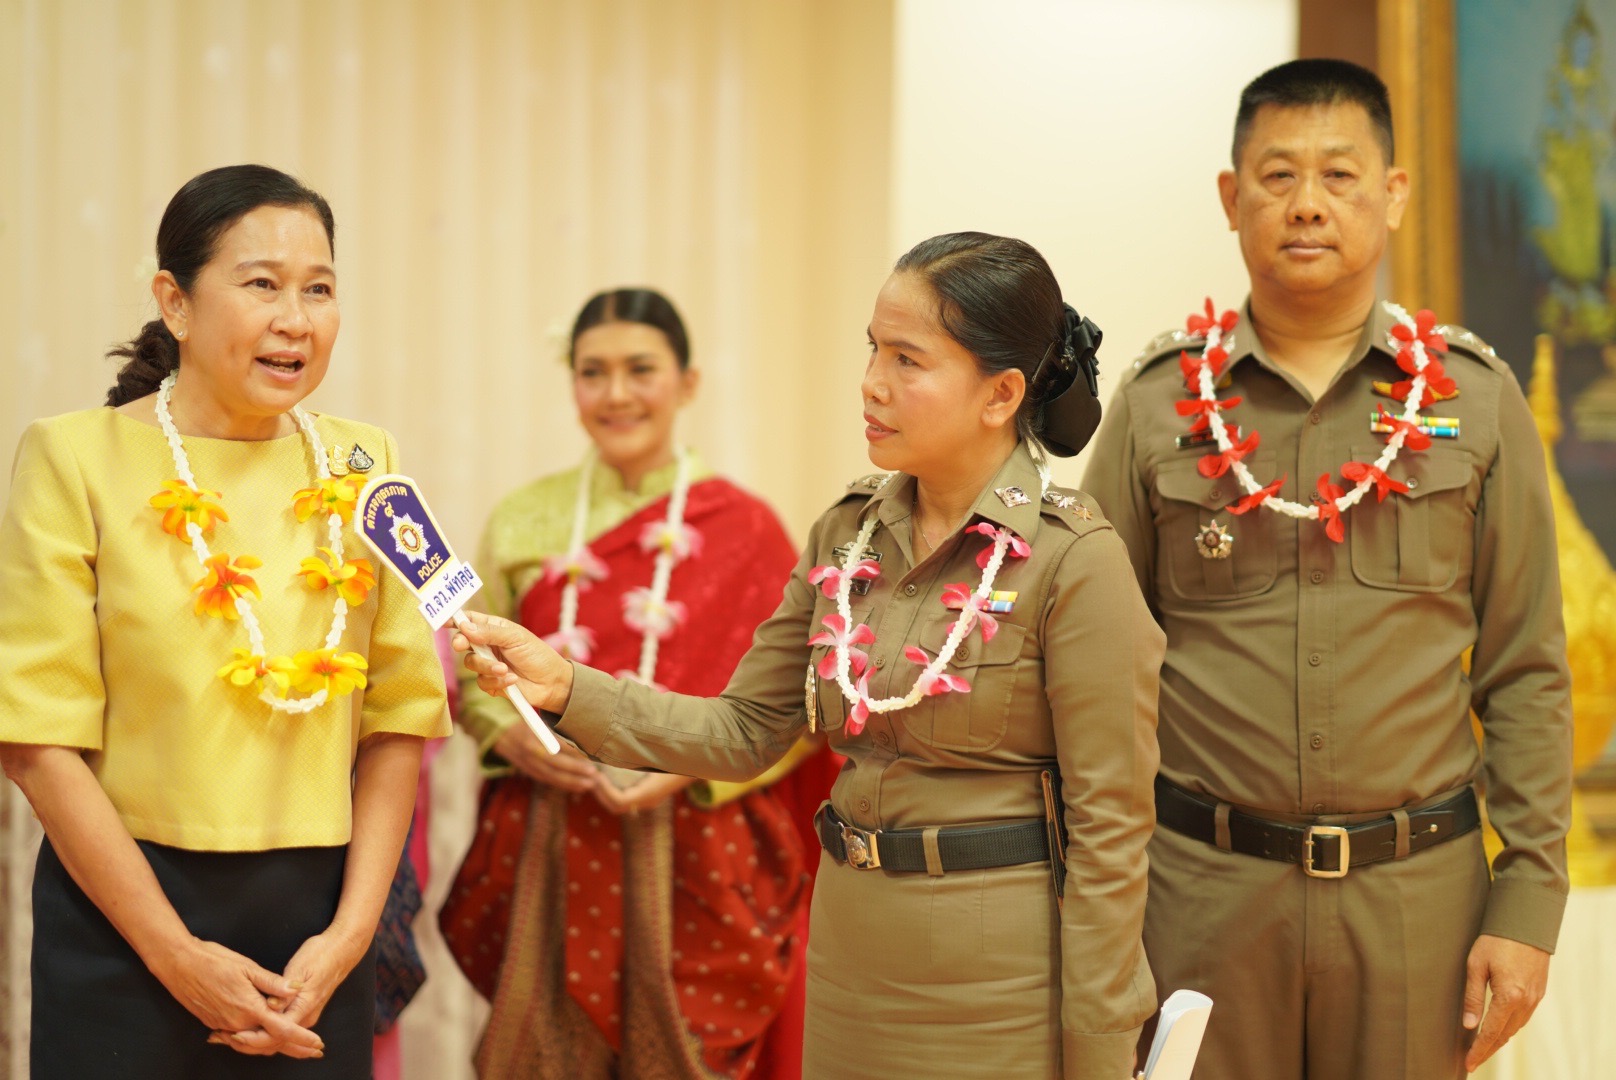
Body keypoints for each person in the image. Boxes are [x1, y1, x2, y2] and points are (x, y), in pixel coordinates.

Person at [456, 233, 1164, 1079]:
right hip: (850, 962)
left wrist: (1100, 1052)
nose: (871, 382)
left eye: (907, 359)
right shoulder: (847, 533)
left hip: (1000, 984)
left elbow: (1111, 833)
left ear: (1000, 394)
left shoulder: (1074, 559)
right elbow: (744, 730)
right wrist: (568, 687)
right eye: (873, 349)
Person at [1081, 59, 1573, 1079]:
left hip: (1416, 904)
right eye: (1277, 176)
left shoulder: (1477, 400)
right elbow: (1090, 677)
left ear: (1391, 194)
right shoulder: (1153, 404)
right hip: (1201, 898)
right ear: (1231, 198)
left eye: (1339, 175)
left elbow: (1525, 670)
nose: (1307, 204)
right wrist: (1096, 910)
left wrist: (1527, 905)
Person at [0, 164, 450, 1078]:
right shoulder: (73, 456)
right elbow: (37, 738)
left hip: (320, 938)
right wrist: (175, 956)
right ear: (175, 301)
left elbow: (401, 716)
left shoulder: (367, 463)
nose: (296, 319)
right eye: (262, 284)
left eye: (319, 289)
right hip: (125, 920)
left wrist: (350, 935)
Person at [439, 287, 839, 1079]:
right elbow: (468, 657)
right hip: (551, 839)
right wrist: (507, 733)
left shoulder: (749, 527)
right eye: (593, 372)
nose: (616, 393)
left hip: (701, 856)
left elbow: (805, 701)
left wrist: (687, 764)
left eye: (640, 370)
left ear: (687, 383)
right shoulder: (523, 518)